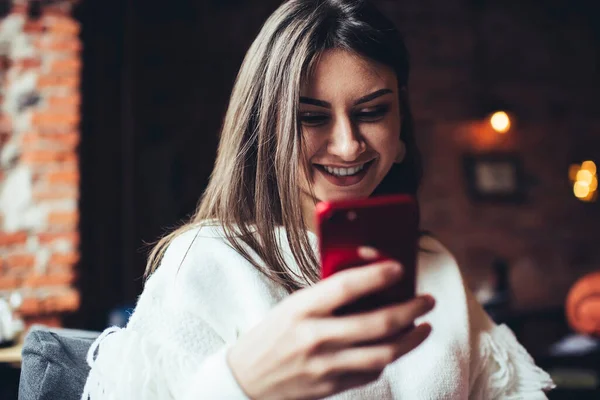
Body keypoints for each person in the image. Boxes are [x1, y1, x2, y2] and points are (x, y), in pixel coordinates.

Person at [81, 0, 555, 398]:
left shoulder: (433, 265)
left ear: (401, 128)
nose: (349, 145)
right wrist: (241, 383)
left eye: (372, 112)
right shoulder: (205, 262)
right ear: (264, 132)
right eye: (311, 117)